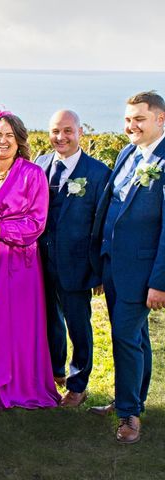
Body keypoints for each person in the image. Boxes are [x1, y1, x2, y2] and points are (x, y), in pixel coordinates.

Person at [0, 109, 61, 409]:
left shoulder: (32, 174)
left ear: (19, 139)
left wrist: (0, 228)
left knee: (19, 325)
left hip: (19, 261)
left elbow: (37, 222)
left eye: (9, 135)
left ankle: (21, 386)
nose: (3, 140)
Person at [89, 91, 165, 444]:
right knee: (137, 339)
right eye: (128, 119)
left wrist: (160, 281)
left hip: (143, 271)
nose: (130, 126)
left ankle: (129, 415)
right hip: (113, 266)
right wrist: (100, 259)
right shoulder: (126, 154)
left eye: (139, 119)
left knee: (123, 337)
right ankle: (132, 400)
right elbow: (111, 208)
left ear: (160, 120)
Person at [35, 110, 111, 407]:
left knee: (79, 325)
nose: (61, 137)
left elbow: (101, 223)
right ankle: (55, 373)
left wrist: (99, 270)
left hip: (77, 263)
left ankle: (78, 384)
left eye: (68, 131)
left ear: (80, 133)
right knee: (49, 319)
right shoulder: (39, 165)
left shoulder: (97, 173)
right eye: (55, 131)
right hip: (40, 260)